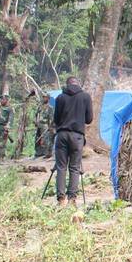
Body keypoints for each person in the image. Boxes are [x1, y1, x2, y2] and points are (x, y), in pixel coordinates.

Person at [52, 76, 93, 208]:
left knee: (61, 167)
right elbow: (89, 119)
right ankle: (72, 199)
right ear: (78, 84)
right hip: (77, 136)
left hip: (62, 135)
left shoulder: (60, 98)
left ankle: (60, 199)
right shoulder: (85, 97)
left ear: (67, 84)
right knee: (75, 168)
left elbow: (56, 119)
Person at [34, 93, 54, 158]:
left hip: (45, 125)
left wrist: (50, 126)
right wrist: (35, 121)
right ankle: (38, 153)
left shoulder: (50, 108)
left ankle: (47, 153)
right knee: (37, 139)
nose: (44, 98)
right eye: (43, 97)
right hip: (38, 125)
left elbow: (51, 118)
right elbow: (36, 114)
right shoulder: (40, 107)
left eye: (45, 97)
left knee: (45, 139)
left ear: (48, 98)